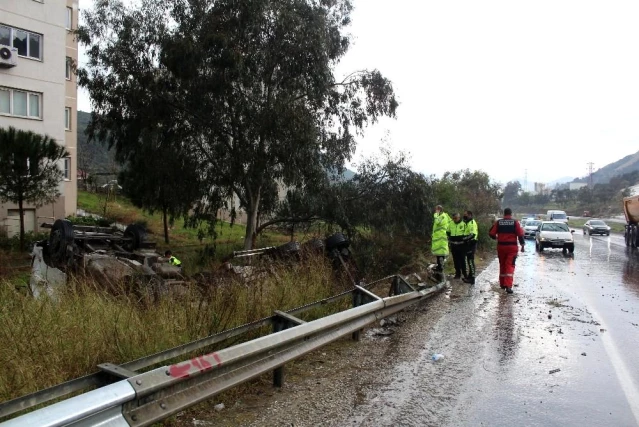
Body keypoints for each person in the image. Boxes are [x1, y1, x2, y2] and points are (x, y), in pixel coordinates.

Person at [488, 208, 525, 294]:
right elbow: (520, 234)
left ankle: (502, 284)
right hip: (512, 248)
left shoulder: (499, 222)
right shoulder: (515, 222)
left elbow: (491, 233)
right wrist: (522, 245)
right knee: (510, 265)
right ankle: (508, 286)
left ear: (504, 214)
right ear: (511, 214)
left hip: (501, 247)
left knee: (502, 265)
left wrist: (496, 238)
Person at [447, 213, 467, 279]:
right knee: (455, 260)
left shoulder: (463, 224)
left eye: (456, 218)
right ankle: (457, 273)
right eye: (453, 218)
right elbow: (448, 232)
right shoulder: (451, 223)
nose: (454, 220)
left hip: (461, 245)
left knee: (462, 260)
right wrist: (449, 239)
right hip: (453, 245)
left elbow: (466, 234)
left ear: (459, 217)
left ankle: (465, 273)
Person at [431, 205, 451, 272]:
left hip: (441, 237)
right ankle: (439, 267)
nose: (435, 210)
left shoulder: (442, 216)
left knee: (441, 254)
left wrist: (436, 214)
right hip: (438, 237)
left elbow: (437, 222)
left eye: (436, 209)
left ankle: (440, 268)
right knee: (439, 254)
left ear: (439, 209)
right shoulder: (441, 216)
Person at [462, 210, 478, 285]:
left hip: (471, 244)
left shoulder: (471, 223)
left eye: (466, 215)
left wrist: (464, 239)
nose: (464, 216)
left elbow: (473, 234)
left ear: (470, 215)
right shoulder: (467, 223)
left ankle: (472, 278)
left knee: (471, 261)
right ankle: (469, 276)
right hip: (468, 244)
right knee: (469, 261)